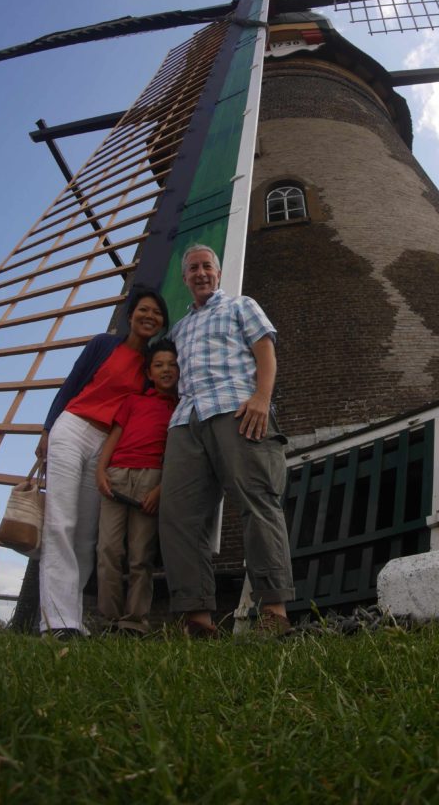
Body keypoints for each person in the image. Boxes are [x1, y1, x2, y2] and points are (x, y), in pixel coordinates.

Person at [159, 244, 294, 637]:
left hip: (237, 408)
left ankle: (275, 611)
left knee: (257, 501)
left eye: (207, 267)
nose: (200, 273)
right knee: (178, 516)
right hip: (187, 420)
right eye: (193, 269)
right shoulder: (178, 330)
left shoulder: (241, 306)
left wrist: (262, 400)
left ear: (217, 274)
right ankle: (197, 618)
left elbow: (265, 351)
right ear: (184, 278)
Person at [36, 286, 169, 638]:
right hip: (74, 427)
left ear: (161, 323)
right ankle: (54, 622)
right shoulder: (102, 344)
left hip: (105, 444)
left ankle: (72, 618)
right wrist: (47, 429)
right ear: (130, 315)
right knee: (60, 520)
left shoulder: (151, 370)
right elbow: (71, 385)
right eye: (143, 309)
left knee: (86, 535)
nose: (149, 316)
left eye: (156, 313)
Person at [95, 339, 179, 635]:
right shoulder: (133, 401)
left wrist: (160, 490)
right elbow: (115, 435)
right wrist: (101, 470)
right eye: (159, 365)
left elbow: (177, 453)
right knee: (107, 548)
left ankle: (134, 621)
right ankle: (109, 619)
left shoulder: (180, 408)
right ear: (150, 372)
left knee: (140, 555)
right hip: (117, 474)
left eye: (172, 364)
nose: (166, 369)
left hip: (150, 477)